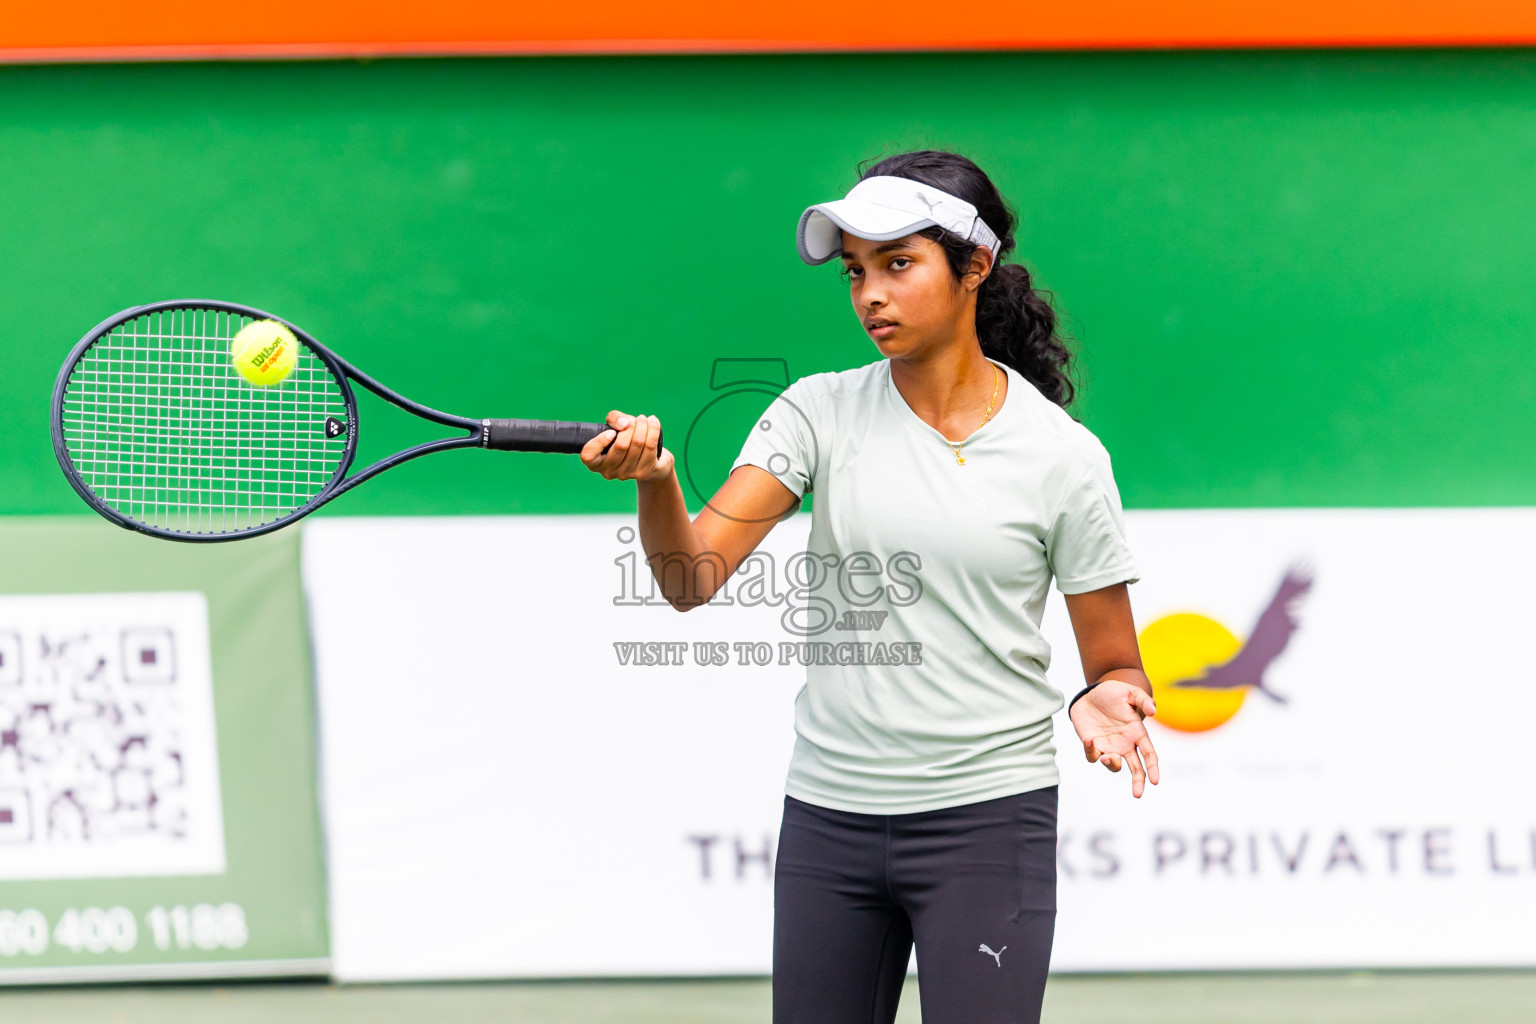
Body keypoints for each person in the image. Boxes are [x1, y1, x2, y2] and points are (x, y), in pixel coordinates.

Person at [580, 149, 1158, 1024]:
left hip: (987, 822)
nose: (870, 295)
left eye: (898, 263)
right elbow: (690, 577)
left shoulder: (1064, 458)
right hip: (829, 825)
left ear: (975, 266)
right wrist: (656, 481)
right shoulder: (817, 411)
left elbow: (1116, 663)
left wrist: (1106, 694)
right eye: (855, 272)